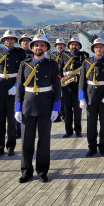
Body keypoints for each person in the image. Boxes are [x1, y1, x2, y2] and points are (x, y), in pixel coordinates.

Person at [14, 32, 62, 183]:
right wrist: (17, 108)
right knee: (26, 141)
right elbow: (19, 88)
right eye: (36, 45)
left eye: (42, 45)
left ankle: (42, 171)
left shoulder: (53, 65)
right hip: (27, 106)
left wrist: (56, 108)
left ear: (46, 47)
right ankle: (26, 171)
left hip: (45, 106)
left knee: (44, 141)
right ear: (32, 47)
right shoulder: (24, 64)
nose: (39, 47)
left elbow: (57, 87)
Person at [0, 29, 26, 157]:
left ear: (15, 41)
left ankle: (11, 146)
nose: (9, 41)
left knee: (11, 118)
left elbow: (23, 71)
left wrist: (16, 85)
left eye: (12, 39)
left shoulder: (20, 53)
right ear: (3, 40)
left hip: (13, 86)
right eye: (7, 39)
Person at [79, 38, 104, 157]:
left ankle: (103, 147)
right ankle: (91, 147)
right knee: (91, 124)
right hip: (90, 96)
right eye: (96, 47)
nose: (98, 49)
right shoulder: (87, 62)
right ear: (93, 49)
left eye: (101, 47)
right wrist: (81, 97)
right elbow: (82, 81)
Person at [59, 36, 87, 137]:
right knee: (67, 110)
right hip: (66, 86)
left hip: (77, 85)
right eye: (72, 44)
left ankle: (78, 130)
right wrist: (61, 81)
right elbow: (59, 70)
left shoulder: (83, 56)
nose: (74, 46)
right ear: (69, 46)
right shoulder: (63, 56)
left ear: (79, 46)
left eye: (76, 45)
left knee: (77, 110)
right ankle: (68, 131)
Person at [16, 33, 33, 139]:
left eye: (27, 41)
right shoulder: (17, 53)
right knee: (16, 107)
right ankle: (17, 130)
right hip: (17, 83)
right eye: (23, 41)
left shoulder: (33, 53)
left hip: (29, 84)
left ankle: (25, 130)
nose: (25, 43)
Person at [50, 38, 68, 123]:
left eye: (61, 44)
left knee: (64, 98)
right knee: (55, 97)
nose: (59, 46)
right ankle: (56, 115)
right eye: (58, 44)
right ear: (56, 46)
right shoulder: (51, 55)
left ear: (64, 46)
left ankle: (64, 115)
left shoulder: (67, 56)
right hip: (54, 79)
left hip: (64, 78)